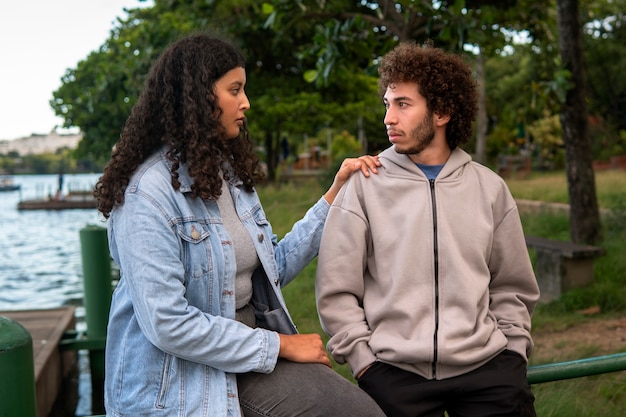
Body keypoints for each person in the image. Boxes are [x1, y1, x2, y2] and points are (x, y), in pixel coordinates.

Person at [94, 33, 385, 417]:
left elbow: (270, 267)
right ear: (197, 97)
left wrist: (334, 195)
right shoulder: (146, 194)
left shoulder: (225, 175)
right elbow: (167, 324)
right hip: (180, 381)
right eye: (235, 90)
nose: (246, 102)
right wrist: (279, 346)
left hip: (243, 353)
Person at [316, 41, 541, 417]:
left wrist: (514, 350)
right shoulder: (364, 187)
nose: (389, 117)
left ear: (442, 112)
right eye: (387, 104)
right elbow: (336, 290)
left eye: (403, 104)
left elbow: (512, 285)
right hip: (394, 375)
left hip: (489, 370)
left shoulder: (489, 189)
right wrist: (365, 362)